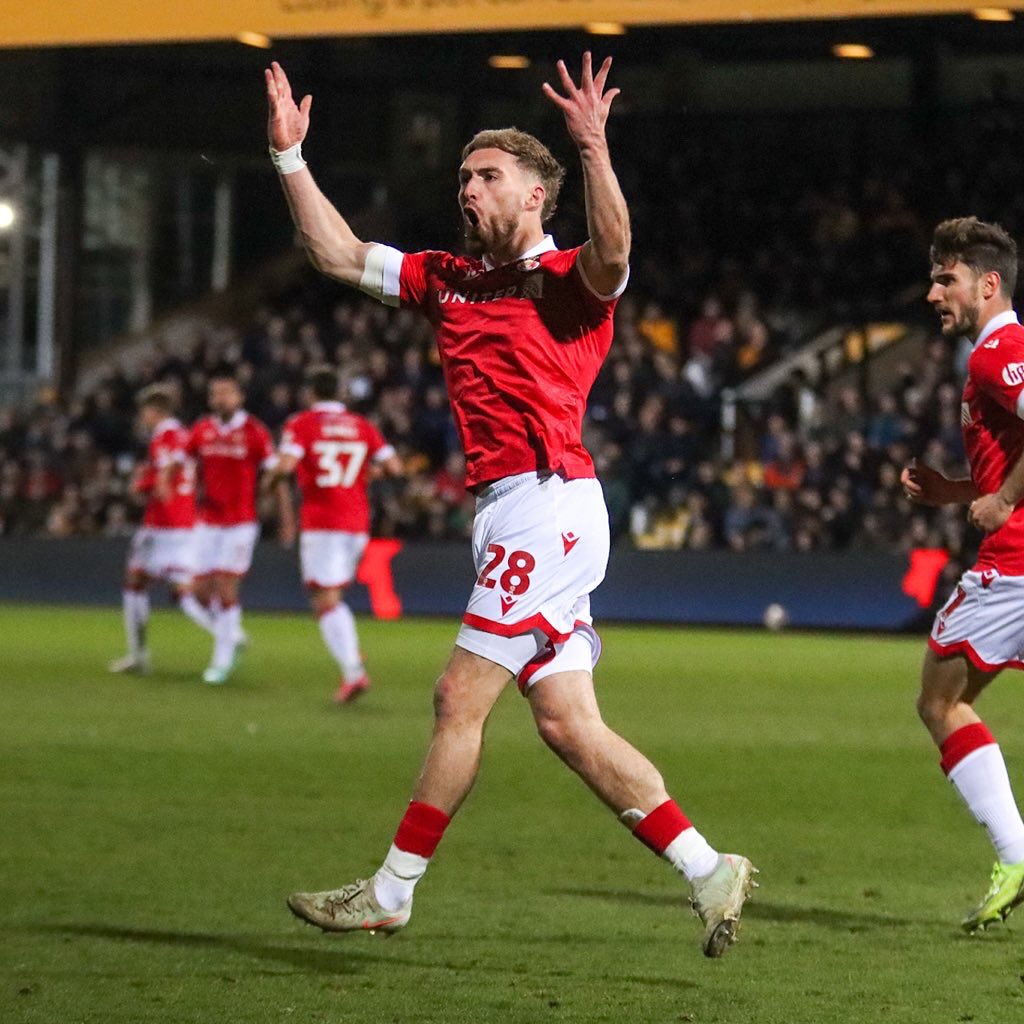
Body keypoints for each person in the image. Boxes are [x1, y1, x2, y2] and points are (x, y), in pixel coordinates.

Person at [266, 53, 756, 958]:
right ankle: (708, 868)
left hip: (549, 503)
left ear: (535, 196)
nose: (468, 189)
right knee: (569, 725)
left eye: (487, 176)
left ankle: (392, 890)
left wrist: (594, 146)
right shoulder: (446, 278)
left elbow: (617, 252)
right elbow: (335, 253)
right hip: (506, 510)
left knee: (458, 695)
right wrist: (290, 157)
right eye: (463, 177)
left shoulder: (569, 278)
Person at [902, 216, 1024, 933]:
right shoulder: (995, 353)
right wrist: (958, 490)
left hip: (1013, 568)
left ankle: (1016, 855)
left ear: (987, 284)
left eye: (946, 279)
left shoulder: (997, 353)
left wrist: (1003, 502)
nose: (932, 294)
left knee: (939, 700)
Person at [269, 364, 403, 703]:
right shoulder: (361, 425)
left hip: (323, 522)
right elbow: (394, 467)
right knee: (331, 597)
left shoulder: (302, 423)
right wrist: (363, 475)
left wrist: (270, 481)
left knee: (324, 600)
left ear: (310, 393)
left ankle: (353, 671)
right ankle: (350, 652)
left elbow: (286, 466)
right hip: (357, 521)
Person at [187, 372, 293, 685]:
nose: (220, 399)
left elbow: (276, 477)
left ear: (239, 397)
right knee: (197, 592)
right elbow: (187, 468)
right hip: (207, 521)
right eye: (215, 394)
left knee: (226, 587)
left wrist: (286, 518)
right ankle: (233, 635)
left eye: (226, 393)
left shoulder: (254, 432)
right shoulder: (201, 430)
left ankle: (220, 660)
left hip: (240, 523)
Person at [109, 385, 216, 673]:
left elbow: (164, 476)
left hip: (162, 523)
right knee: (182, 591)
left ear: (153, 411)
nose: (142, 417)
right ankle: (229, 635)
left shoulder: (164, 436)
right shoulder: (185, 435)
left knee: (135, 583)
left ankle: (139, 655)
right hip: (187, 521)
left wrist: (139, 484)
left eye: (143, 412)